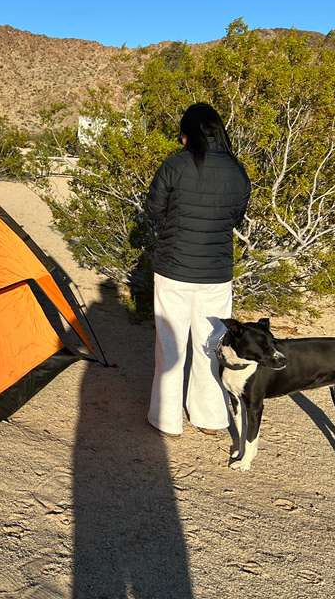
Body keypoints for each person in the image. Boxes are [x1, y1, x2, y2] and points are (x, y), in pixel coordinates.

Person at [145, 102, 251, 436]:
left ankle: (166, 420)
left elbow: (154, 209)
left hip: (173, 270)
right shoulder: (237, 170)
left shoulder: (174, 165)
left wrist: (174, 228)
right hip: (216, 275)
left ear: (186, 135)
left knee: (170, 345)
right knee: (210, 346)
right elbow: (236, 217)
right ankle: (209, 418)